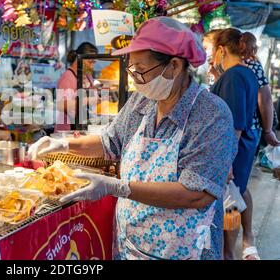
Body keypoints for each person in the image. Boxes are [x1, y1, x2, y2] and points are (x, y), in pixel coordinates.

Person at [29, 17, 238, 260]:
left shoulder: (210, 114)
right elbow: (109, 142)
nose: (135, 78)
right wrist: (63, 144)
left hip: (182, 251)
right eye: (132, 69)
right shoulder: (143, 100)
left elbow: (197, 193)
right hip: (130, 247)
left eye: (141, 70)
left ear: (174, 66)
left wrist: (118, 187)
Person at [209, 28, 260, 260]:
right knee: (233, 198)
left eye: (212, 50)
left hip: (233, 148)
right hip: (241, 146)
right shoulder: (244, 73)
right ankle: (227, 252)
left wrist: (227, 160)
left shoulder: (234, 76)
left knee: (228, 201)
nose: (211, 56)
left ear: (221, 49)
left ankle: (227, 254)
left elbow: (235, 123)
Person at [56, 42, 98, 131]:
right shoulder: (68, 77)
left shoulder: (88, 76)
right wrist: (87, 100)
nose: (92, 66)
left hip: (84, 127)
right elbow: (61, 105)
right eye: (90, 62)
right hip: (68, 130)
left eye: (94, 62)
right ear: (79, 59)